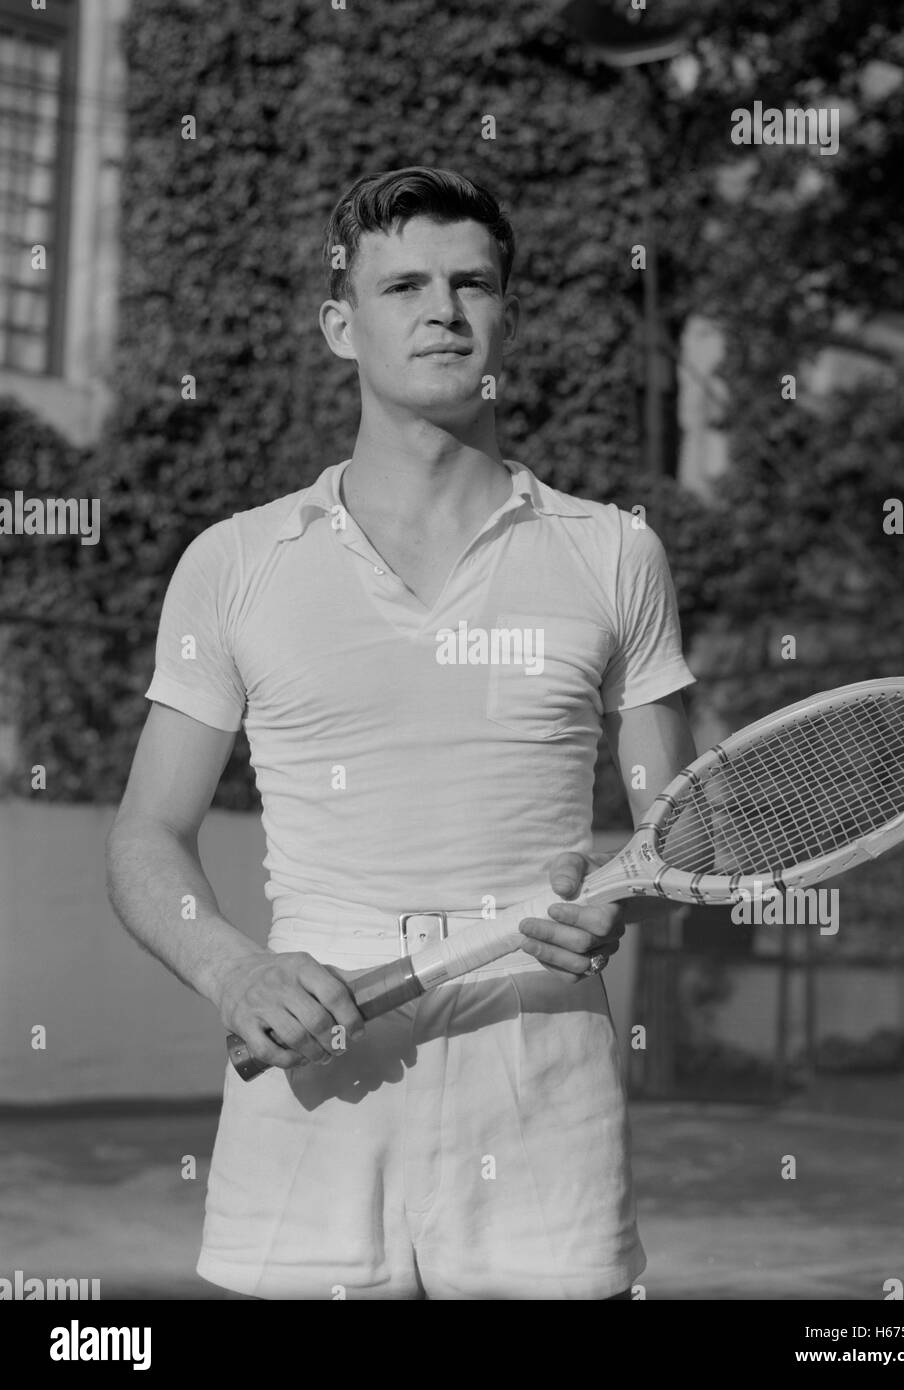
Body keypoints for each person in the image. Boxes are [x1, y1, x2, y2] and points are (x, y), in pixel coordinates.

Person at [106, 166, 697, 1300]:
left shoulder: (613, 554)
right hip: (314, 1074)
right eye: (404, 285)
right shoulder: (234, 562)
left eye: (472, 283)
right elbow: (146, 836)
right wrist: (234, 973)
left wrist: (616, 899)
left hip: (542, 1071)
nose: (443, 309)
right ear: (342, 324)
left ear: (505, 319)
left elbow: (665, 827)